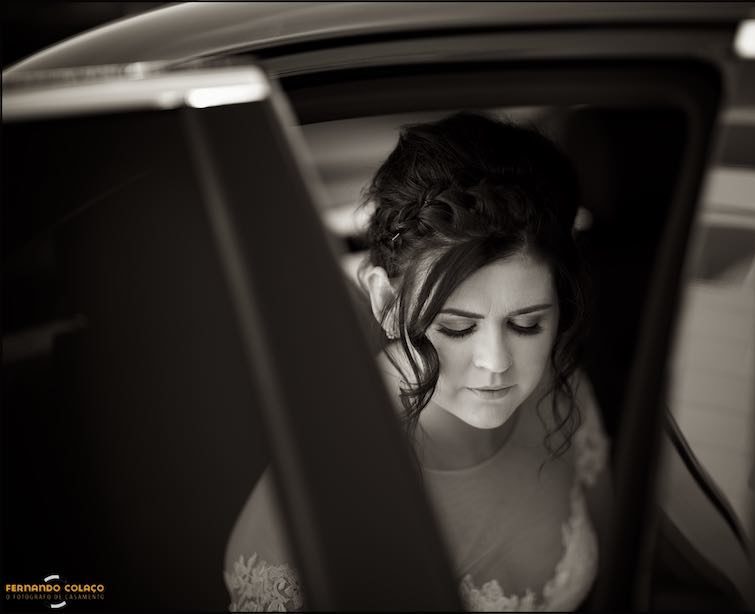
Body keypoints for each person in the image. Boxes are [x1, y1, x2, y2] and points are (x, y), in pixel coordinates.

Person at [223, 111, 613, 612]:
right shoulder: (318, 500)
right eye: (455, 327)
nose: (496, 363)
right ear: (385, 302)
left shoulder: (564, 392)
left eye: (527, 324)